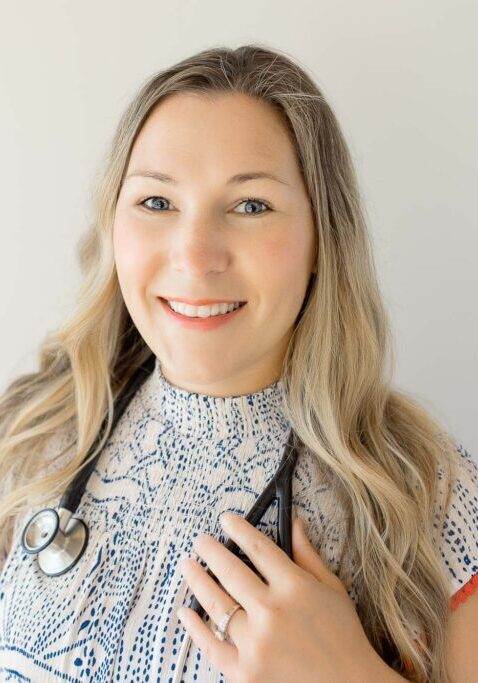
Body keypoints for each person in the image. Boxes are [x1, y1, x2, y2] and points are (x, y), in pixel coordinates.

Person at [0, 44, 476, 683]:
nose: (195, 257)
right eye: (156, 202)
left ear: (320, 241)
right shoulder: (32, 434)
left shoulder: (425, 492)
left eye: (251, 206)